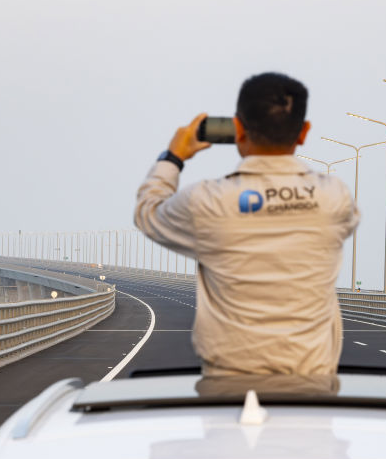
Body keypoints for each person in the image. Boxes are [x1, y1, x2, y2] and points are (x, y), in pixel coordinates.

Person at [134, 72, 359, 376]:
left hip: (227, 385)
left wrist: (173, 157)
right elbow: (345, 222)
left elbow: (147, 212)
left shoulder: (207, 201)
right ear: (303, 132)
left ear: (238, 128)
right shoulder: (334, 197)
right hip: (314, 384)